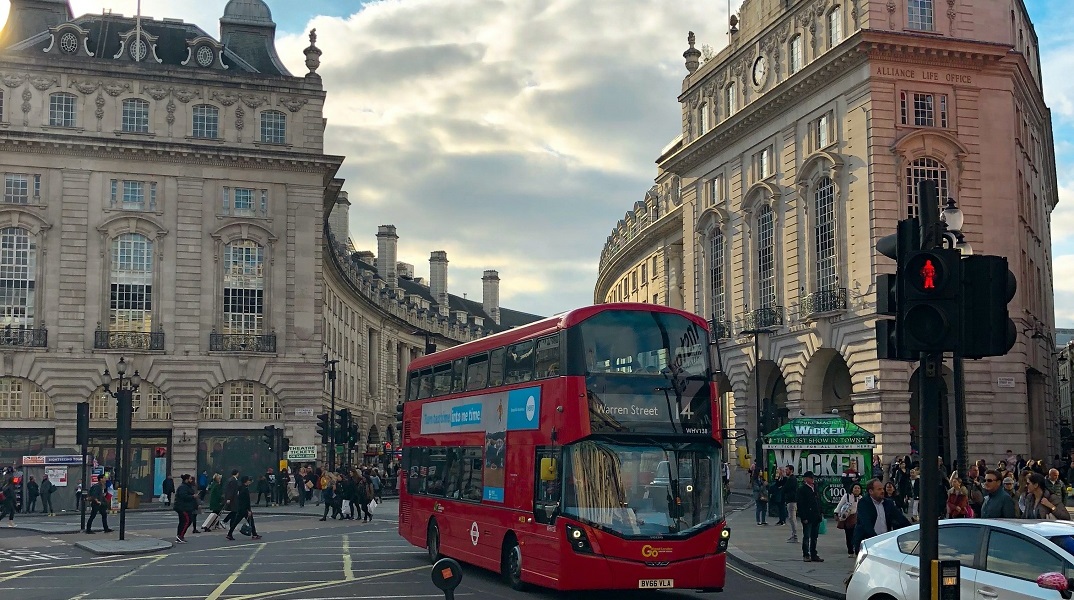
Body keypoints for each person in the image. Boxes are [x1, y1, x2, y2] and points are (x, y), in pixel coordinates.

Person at [854, 478, 910, 551]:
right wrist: (875, 540)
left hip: (885, 541)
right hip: (868, 542)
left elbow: (900, 518)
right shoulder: (864, 503)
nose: (883, 491)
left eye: (883, 489)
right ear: (871, 491)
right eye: (879, 489)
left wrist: (912, 529)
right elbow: (866, 523)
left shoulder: (888, 503)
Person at [795, 471, 824, 563]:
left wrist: (821, 512)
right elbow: (800, 505)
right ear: (806, 479)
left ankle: (814, 554)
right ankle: (806, 554)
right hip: (808, 517)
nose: (813, 479)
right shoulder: (802, 489)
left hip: (816, 516)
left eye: (813, 478)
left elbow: (819, 501)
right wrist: (803, 517)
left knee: (814, 537)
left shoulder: (815, 488)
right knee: (807, 536)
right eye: (811, 478)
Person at [226, 476, 261, 541]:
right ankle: (254, 535)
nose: (249, 482)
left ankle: (229, 534)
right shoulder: (245, 489)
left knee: (236, 522)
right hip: (245, 509)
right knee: (251, 521)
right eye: (248, 480)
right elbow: (247, 501)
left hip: (240, 508)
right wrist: (249, 510)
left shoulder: (240, 488)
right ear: (246, 481)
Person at [835, 483, 862, 555]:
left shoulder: (861, 498)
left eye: (858, 488)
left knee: (857, 535)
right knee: (849, 535)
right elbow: (840, 505)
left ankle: (856, 550)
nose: (857, 489)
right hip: (848, 518)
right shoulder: (847, 496)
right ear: (852, 489)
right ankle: (850, 550)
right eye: (855, 488)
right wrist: (836, 513)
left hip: (857, 518)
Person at [174, 474, 198, 543]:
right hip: (183, 507)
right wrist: (193, 496)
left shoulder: (187, 486)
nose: (191, 480)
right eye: (190, 479)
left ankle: (180, 536)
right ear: (186, 480)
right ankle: (180, 536)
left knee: (183, 522)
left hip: (185, 507)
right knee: (187, 521)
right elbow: (184, 496)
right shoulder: (183, 487)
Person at [782, 465, 799, 544]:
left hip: (792, 501)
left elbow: (785, 488)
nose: (786, 471)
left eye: (787, 470)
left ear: (791, 470)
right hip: (790, 500)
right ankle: (793, 535)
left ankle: (795, 536)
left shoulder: (792, 479)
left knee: (792, 518)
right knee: (791, 518)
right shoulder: (791, 479)